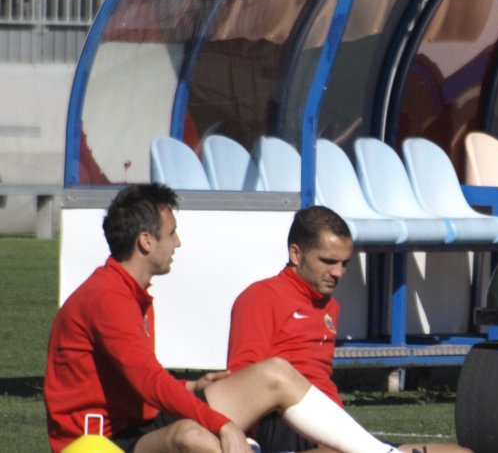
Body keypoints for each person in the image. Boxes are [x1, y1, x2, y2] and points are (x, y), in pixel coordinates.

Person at [45, 183, 408, 453]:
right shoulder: (107, 297)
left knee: (273, 374)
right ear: (145, 241)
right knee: (199, 435)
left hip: (140, 425)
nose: (178, 243)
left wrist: (192, 387)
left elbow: (136, 384)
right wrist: (224, 425)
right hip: (96, 444)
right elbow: (148, 382)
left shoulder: (129, 292)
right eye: (172, 233)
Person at [227, 205, 469, 453]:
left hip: (333, 427)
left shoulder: (330, 306)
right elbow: (243, 384)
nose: (338, 272)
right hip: (285, 424)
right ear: (296, 254)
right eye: (328, 261)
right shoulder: (260, 298)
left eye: (345, 263)